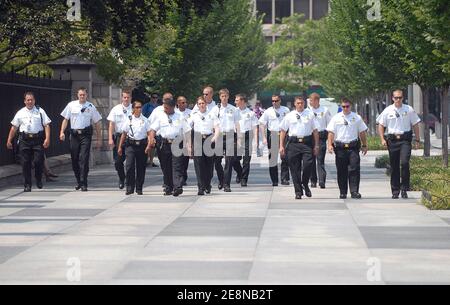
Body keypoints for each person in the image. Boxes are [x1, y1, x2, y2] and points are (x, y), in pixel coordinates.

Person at [378, 89, 421, 199]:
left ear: (403, 98)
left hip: (405, 140)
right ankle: (395, 190)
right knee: (394, 166)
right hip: (392, 141)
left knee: (405, 163)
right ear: (392, 98)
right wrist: (382, 139)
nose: (398, 99)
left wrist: (417, 140)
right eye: (396, 97)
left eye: (400, 97)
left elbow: (415, 124)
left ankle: (404, 188)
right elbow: (381, 125)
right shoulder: (388, 110)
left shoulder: (409, 109)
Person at [6, 92, 51, 192]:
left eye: (31, 100)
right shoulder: (20, 112)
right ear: (24, 101)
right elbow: (14, 127)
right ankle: (27, 185)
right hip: (24, 140)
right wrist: (9, 140)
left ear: (34, 100)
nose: (30, 102)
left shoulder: (40, 111)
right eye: (28, 100)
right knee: (25, 163)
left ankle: (38, 178)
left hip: (37, 140)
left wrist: (47, 138)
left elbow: (47, 125)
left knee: (38, 161)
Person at [60, 87, 102, 192]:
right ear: (77, 95)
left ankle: (84, 182)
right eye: (80, 95)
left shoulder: (90, 106)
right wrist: (61, 132)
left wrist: (99, 138)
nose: (82, 96)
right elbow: (65, 119)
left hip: (85, 136)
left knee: (84, 159)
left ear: (86, 95)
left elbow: (97, 122)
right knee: (74, 159)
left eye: (84, 95)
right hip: (74, 135)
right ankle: (78, 180)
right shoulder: (71, 105)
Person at [327, 98, 368, 199]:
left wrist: (364, 145)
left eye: (347, 106)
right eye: (343, 106)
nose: (345, 108)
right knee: (341, 171)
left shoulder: (356, 117)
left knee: (354, 169)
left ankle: (354, 191)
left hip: (353, 147)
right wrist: (330, 145)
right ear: (341, 107)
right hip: (340, 148)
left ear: (351, 106)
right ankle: (343, 192)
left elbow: (362, 132)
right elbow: (331, 132)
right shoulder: (336, 118)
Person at [149, 98, 191, 197]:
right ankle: (168, 187)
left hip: (177, 143)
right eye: (164, 107)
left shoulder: (180, 117)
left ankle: (177, 187)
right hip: (164, 144)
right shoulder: (161, 117)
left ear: (172, 107)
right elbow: (153, 129)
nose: (164, 109)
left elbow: (187, 131)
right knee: (166, 166)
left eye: (166, 107)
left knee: (177, 166)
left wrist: (189, 145)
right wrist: (151, 138)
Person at [279, 97, 320, 200]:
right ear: (295, 104)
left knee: (308, 165)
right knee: (294, 169)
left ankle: (305, 183)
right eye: (298, 103)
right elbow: (283, 131)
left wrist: (316, 145)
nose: (300, 105)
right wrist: (281, 146)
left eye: (302, 103)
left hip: (307, 143)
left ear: (304, 104)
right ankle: (298, 191)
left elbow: (315, 131)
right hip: (293, 144)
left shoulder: (310, 115)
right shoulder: (289, 116)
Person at [117, 101, 152, 195]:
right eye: (137, 107)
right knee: (129, 166)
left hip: (142, 145)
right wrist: (120, 147)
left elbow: (149, 134)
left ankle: (139, 188)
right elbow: (124, 134)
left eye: (140, 107)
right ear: (133, 109)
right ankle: (129, 187)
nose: (139, 109)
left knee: (141, 168)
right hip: (130, 145)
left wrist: (149, 145)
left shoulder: (145, 120)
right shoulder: (129, 119)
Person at [209, 89, 240, 192]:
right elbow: (212, 124)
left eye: (226, 96)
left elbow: (237, 124)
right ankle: (221, 179)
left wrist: (239, 138)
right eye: (222, 96)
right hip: (219, 137)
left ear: (228, 96)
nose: (224, 98)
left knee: (229, 162)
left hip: (230, 136)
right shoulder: (215, 109)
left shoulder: (234, 109)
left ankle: (227, 184)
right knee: (217, 162)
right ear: (220, 97)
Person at [189, 96, 220, 195]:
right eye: (199, 104)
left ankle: (207, 184)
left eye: (203, 103)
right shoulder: (194, 115)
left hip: (209, 139)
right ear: (197, 105)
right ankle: (200, 187)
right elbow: (187, 127)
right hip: (198, 138)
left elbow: (217, 127)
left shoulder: (211, 114)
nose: (201, 105)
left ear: (206, 104)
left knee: (209, 165)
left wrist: (215, 137)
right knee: (199, 164)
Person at [259, 95, 291, 186]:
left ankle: (284, 179)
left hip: (284, 135)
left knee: (284, 157)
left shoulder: (286, 110)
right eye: (272, 101)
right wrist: (264, 137)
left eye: (276, 101)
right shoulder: (268, 111)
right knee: (272, 159)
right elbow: (262, 124)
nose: (274, 102)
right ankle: (274, 180)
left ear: (280, 100)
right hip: (273, 135)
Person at [107, 88, 133, 189]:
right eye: (124, 97)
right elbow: (111, 124)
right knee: (118, 161)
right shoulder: (116, 109)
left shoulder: (134, 108)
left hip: (130, 137)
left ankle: (129, 180)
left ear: (130, 98)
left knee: (130, 162)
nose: (126, 99)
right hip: (118, 137)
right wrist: (110, 138)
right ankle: (122, 178)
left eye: (128, 97)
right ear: (122, 98)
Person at [308, 93, 332, 189]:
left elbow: (330, 124)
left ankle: (322, 180)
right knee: (311, 160)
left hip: (321, 136)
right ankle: (313, 180)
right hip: (310, 137)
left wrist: (331, 140)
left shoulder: (325, 110)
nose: (310, 102)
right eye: (309, 100)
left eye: (312, 100)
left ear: (317, 101)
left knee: (320, 159)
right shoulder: (307, 111)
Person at [235, 94, 259, 187]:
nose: (235, 102)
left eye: (237, 100)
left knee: (246, 160)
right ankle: (240, 173)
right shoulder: (233, 112)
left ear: (243, 101)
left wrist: (256, 141)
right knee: (234, 159)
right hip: (236, 136)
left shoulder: (251, 113)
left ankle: (244, 179)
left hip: (247, 136)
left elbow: (255, 127)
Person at [176, 96, 193, 186]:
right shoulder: (174, 113)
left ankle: (183, 177)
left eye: (185, 102)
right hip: (177, 139)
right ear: (178, 103)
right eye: (182, 103)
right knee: (178, 160)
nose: (185, 104)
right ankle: (179, 178)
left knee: (185, 160)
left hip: (187, 139)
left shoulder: (190, 113)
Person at [142, 93, 160, 168]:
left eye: (156, 97)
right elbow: (142, 115)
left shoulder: (159, 107)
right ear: (151, 98)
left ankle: (151, 161)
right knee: (147, 144)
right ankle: (146, 160)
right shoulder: (146, 106)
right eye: (153, 97)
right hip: (147, 127)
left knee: (153, 145)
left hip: (156, 128)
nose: (154, 99)